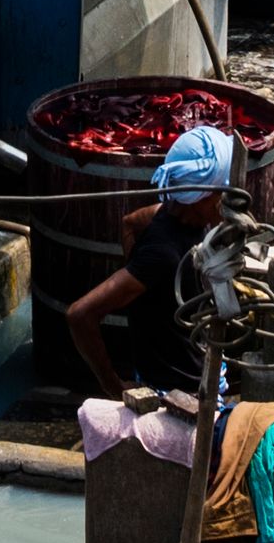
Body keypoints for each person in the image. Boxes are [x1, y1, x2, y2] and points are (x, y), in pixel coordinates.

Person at [64, 124, 248, 397]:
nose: (230, 197)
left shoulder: (174, 214)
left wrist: (145, 302)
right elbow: (79, 315)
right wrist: (114, 388)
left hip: (204, 368)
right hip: (176, 393)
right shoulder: (163, 253)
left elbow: (130, 223)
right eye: (224, 190)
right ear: (203, 195)